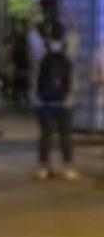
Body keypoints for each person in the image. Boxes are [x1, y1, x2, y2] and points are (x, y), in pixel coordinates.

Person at [33, 25, 78, 181]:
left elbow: (32, 36)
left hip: (44, 102)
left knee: (46, 136)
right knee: (65, 136)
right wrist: (72, 19)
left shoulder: (41, 53)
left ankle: (44, 167)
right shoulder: (68, 54)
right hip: (65, 101)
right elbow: (74, 35)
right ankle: (68, 168)